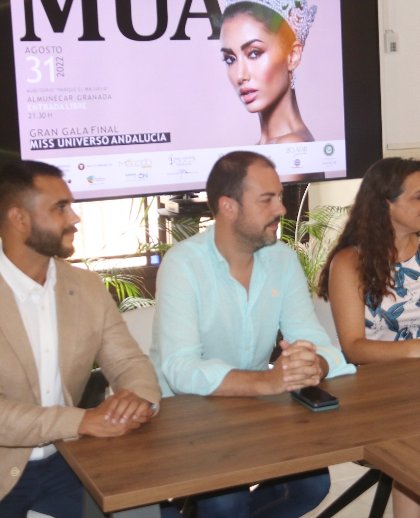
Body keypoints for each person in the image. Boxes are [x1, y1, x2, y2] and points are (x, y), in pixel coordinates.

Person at [0, 161, 161, 518]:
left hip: (69, 462)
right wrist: (82, 421)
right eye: (60, 207)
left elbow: (129, 363)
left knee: (143, 510)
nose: (75, 218)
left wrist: (137, 399)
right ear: (19, 219)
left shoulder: (87, 287)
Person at [151, 151, 354, 518]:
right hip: (186, 416)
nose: (282, 209)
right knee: (226, 502)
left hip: (254, 414)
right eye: (267, 200)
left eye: (280, 196)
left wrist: (315, 363)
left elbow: (313, 337)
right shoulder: (183, 264)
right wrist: (269, 382)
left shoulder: (282, 258)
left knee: (313, 484)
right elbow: (180, 369)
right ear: (228, 207)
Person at [319, 156, 420, 518]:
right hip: (371, 390)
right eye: (418, 197)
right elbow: (353, 348)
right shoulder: (349, 263)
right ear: (387, 204)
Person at [221, 0, 318, 148]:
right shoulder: (265, 148)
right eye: (230, 59)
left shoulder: (292, 146)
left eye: (254, 53)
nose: (240, 75)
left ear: (293, 56)